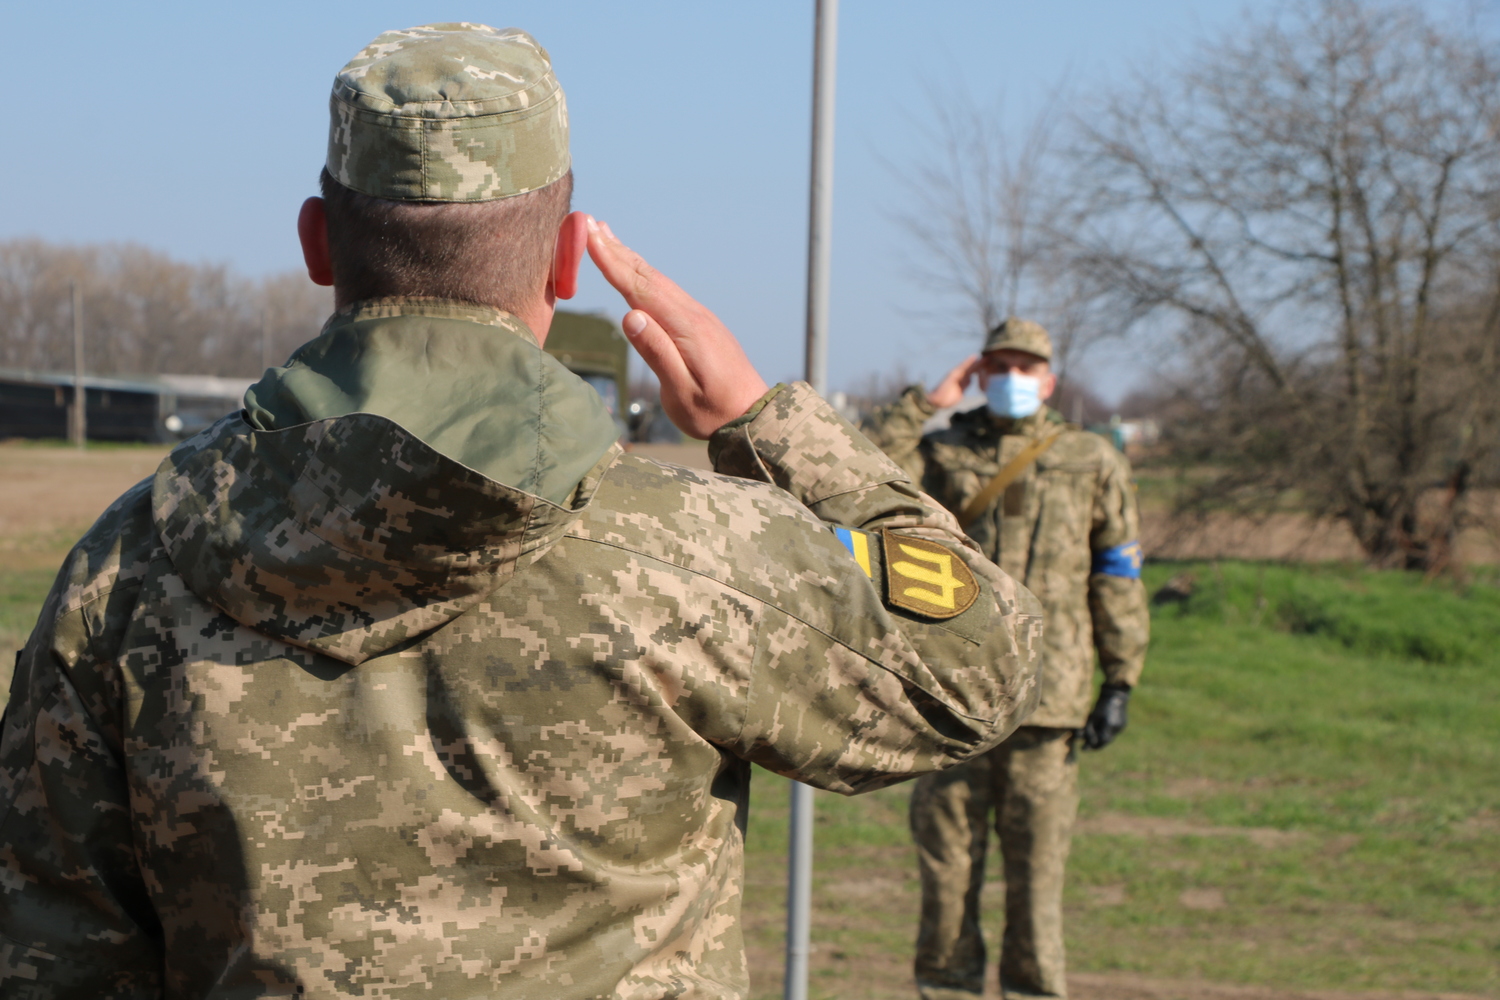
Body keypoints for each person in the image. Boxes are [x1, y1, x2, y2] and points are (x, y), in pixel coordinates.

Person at [0, 24, 1045, 1000]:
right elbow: (983, 662)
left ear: (319, 240)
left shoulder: (129, 568)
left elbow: (52, 948)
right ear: (565, 255)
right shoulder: (694, 550)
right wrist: (774, 429)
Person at [861, 318, 1150, 1000]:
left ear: (1049, 381)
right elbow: (857, 470)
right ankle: (947, 988)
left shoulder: (1091, 459)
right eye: (1000, 366)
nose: (1014, 380)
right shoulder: (943, 453)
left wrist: (1122, 678)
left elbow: (1117, 572)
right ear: (979, 374)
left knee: (1037, 881)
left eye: (1028, 368)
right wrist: (929, 402)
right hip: (954, 697)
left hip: (1050, 703)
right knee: (946, 877)